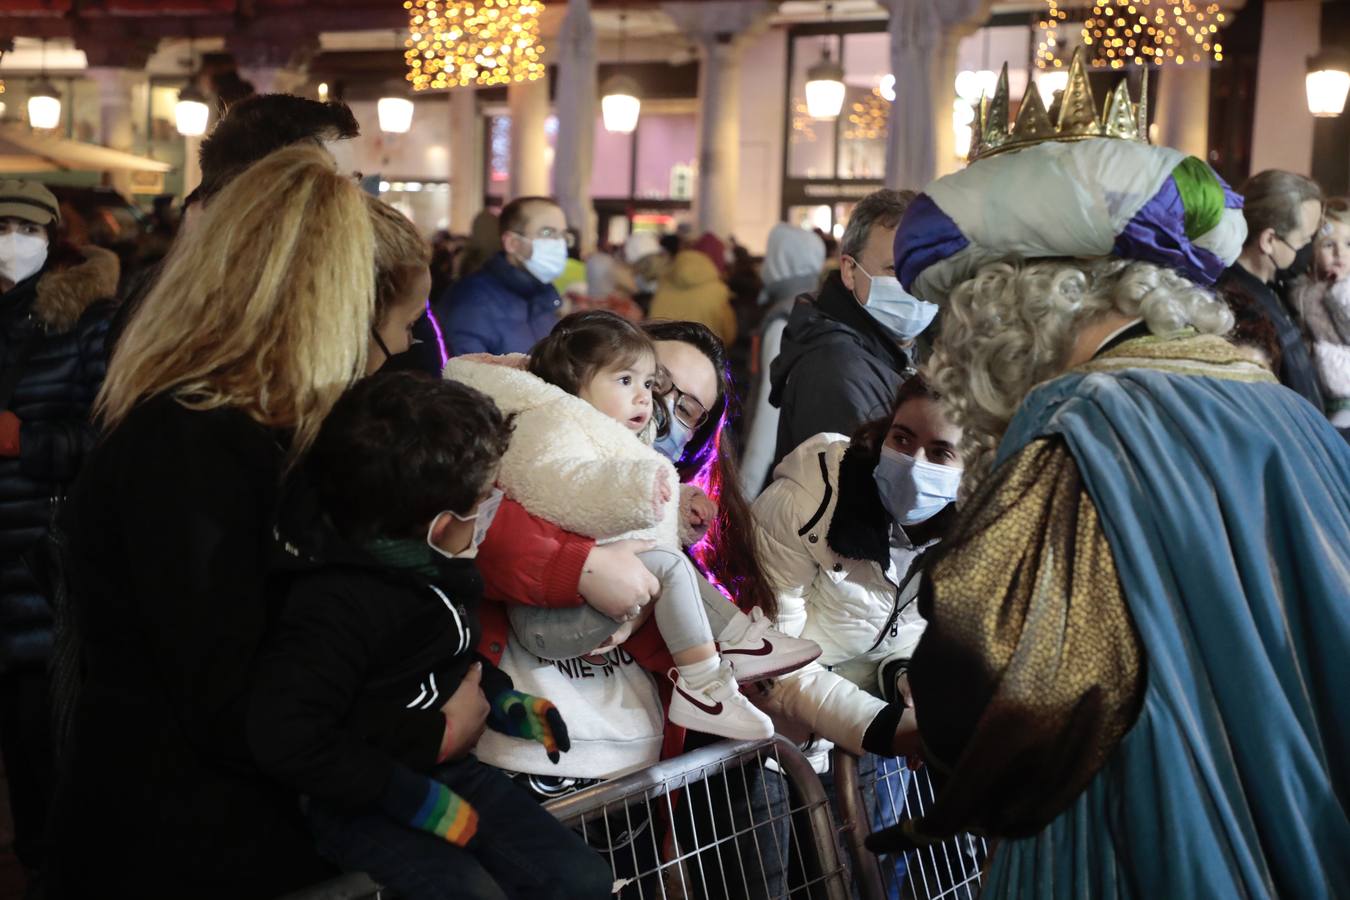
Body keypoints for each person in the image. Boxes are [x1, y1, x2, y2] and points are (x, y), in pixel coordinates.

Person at [869, 54, 1350, 898]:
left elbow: (1008, 696)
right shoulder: (1274, 406)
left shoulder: (1083, 428)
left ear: (1014, 301)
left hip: (1145, 836)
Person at [49, 144, 379, 900]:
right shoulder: (194, 437)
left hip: (200, 817)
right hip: (183, 835)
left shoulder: (219, 425)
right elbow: (222, 684)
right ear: (325, 285)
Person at [248, 372, 611, 900]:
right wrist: (410, 795)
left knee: (582, 878)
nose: (492, 510)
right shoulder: (333, 604)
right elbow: (291, 735)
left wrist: (505, 702)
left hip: (452, 775)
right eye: (485, 501)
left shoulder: (437, 571)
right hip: (363, 799)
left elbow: (447, 661)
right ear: (440, 526)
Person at [445, 311, 817, 741]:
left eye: (688, 410)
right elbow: (481, 531)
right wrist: (583, 568)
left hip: (639, 775)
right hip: (521, 742)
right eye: (650, 381)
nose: (650, 403)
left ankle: (736, 651)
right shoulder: (527, 439)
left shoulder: (667, 525)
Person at [0, 180, 119, 881]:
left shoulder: (84, 322)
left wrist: (23, 441)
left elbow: (107, 435)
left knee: (40, 746)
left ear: (52, 237)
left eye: (25, 225)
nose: (12, 237)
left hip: (35, 569)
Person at [752, 375, 960, 763]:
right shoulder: (810, 500)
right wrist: (881, 726)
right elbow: (768, 658)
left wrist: (906, 674)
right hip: (771, 744)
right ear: (884, 431)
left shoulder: (966, 536)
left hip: (864, 741)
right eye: (902, 439)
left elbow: (899, 631)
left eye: (939, 453)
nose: (914, 464)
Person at [109, 93, 362, 347]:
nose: (357, 201)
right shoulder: (197, 322)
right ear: (264, 189)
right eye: (336, 185)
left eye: (354, 183)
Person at [769, 190, 931, 473]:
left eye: (925, 270)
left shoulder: (901, 349)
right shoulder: (836, 367)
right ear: (849, 271)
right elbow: (860, 488)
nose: (913, 285)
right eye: (895, 269)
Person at [1216, 169, 1326, 413]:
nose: (1309, 248)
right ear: (1268, 240)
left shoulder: (1274, 288)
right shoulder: (1236, 308)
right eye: (1305, 239)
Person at [740, 224, 827, 496]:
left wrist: (744, 490)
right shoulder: (818, 306)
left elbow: (768, 411)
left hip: (774, 469)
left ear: (782, 261)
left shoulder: (783, 319)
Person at [435, 196, 566, 356]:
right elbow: (463, 373)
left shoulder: (542, 296)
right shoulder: (472, 300)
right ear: (512, 243)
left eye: (563, 235)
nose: (559, 243)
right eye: (547, 232)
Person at [1290, 197, 1350, 427]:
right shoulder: (1302, 292)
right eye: (1328, 245)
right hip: (1315, 396)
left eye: (1349, 244)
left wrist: (1340, 296)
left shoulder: (1344, 292)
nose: (1339, 253)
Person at [648, 249, 738, 346]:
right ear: (707, 264)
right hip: (704, 352)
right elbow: (728, 330)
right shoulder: (718, 291)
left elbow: (652, 322)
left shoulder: (663, 285)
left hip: (663, 350)